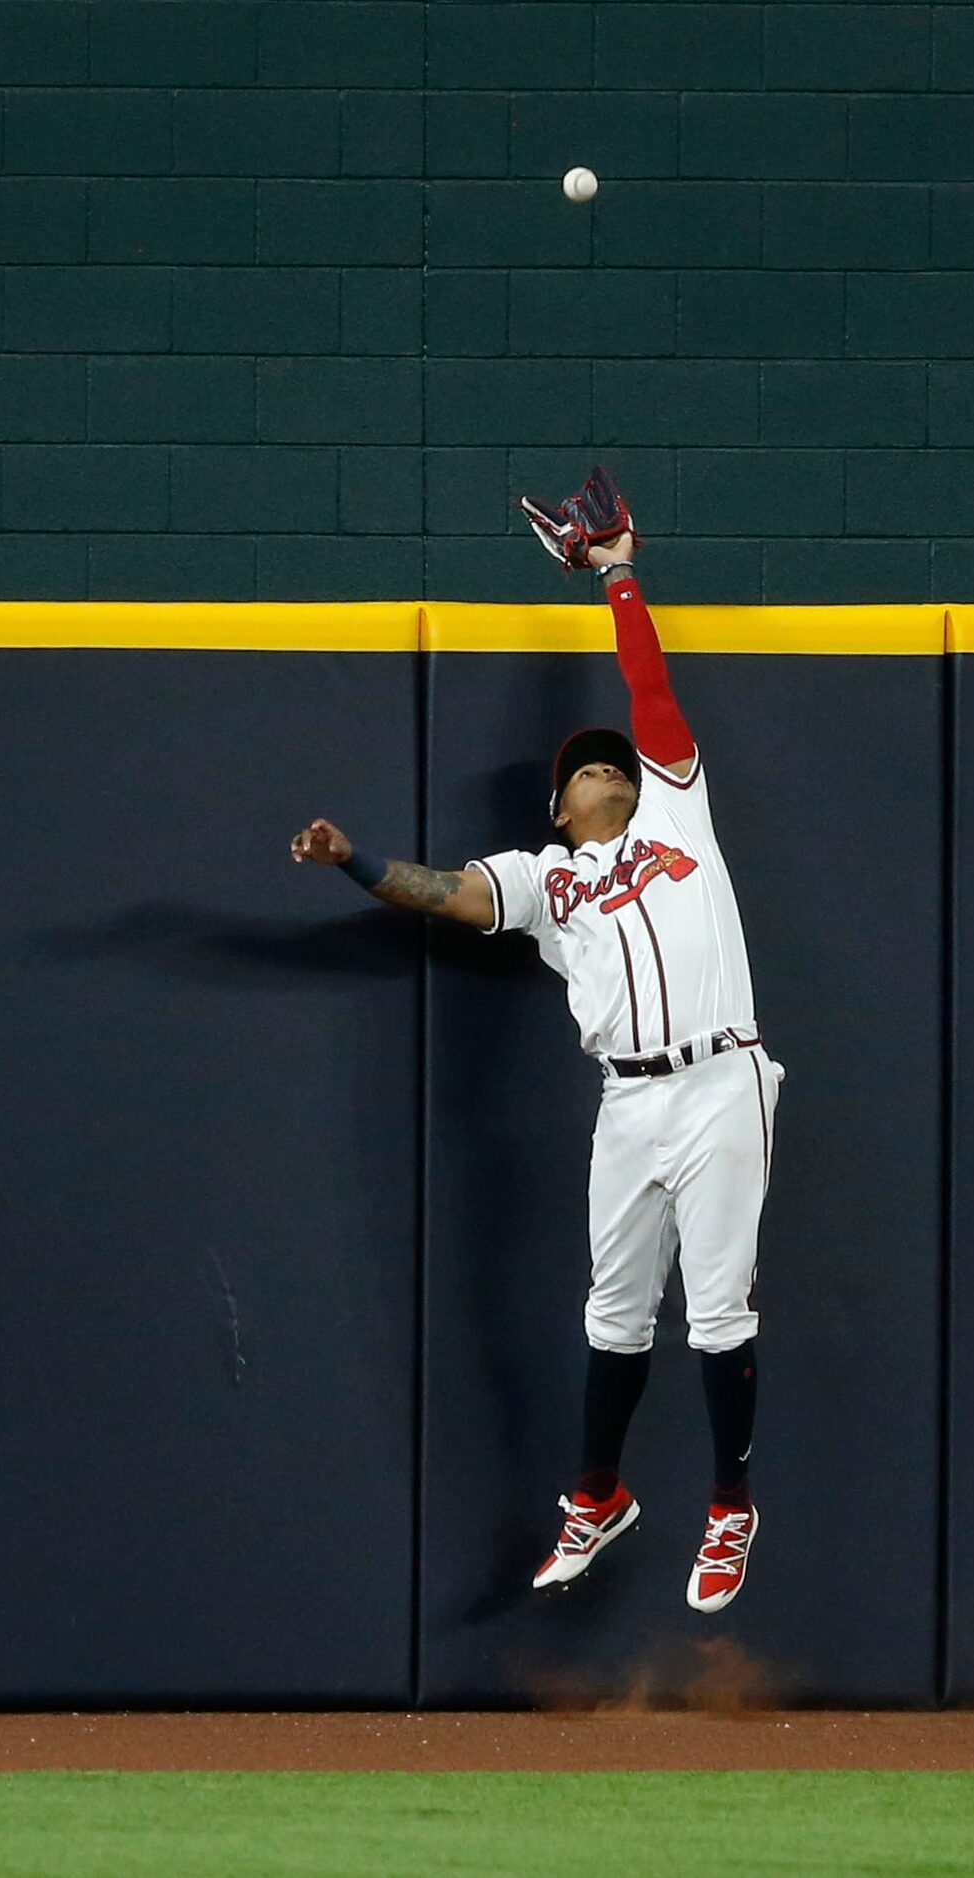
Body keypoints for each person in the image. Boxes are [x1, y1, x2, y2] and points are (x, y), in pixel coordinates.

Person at [292, 469, 782, 1613]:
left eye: (612, 762)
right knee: (611, 1317)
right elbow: (444, 893)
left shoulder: (675, 812)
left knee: (715, 1312)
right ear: (558, 807)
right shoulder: (547, 877)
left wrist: (617, 578)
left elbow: (648, 692)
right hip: (628, 1102)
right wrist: (356, 863)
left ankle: (727, 1505)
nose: (605, 768)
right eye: (583, 769)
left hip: (721, 1077)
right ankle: (597, 1494)